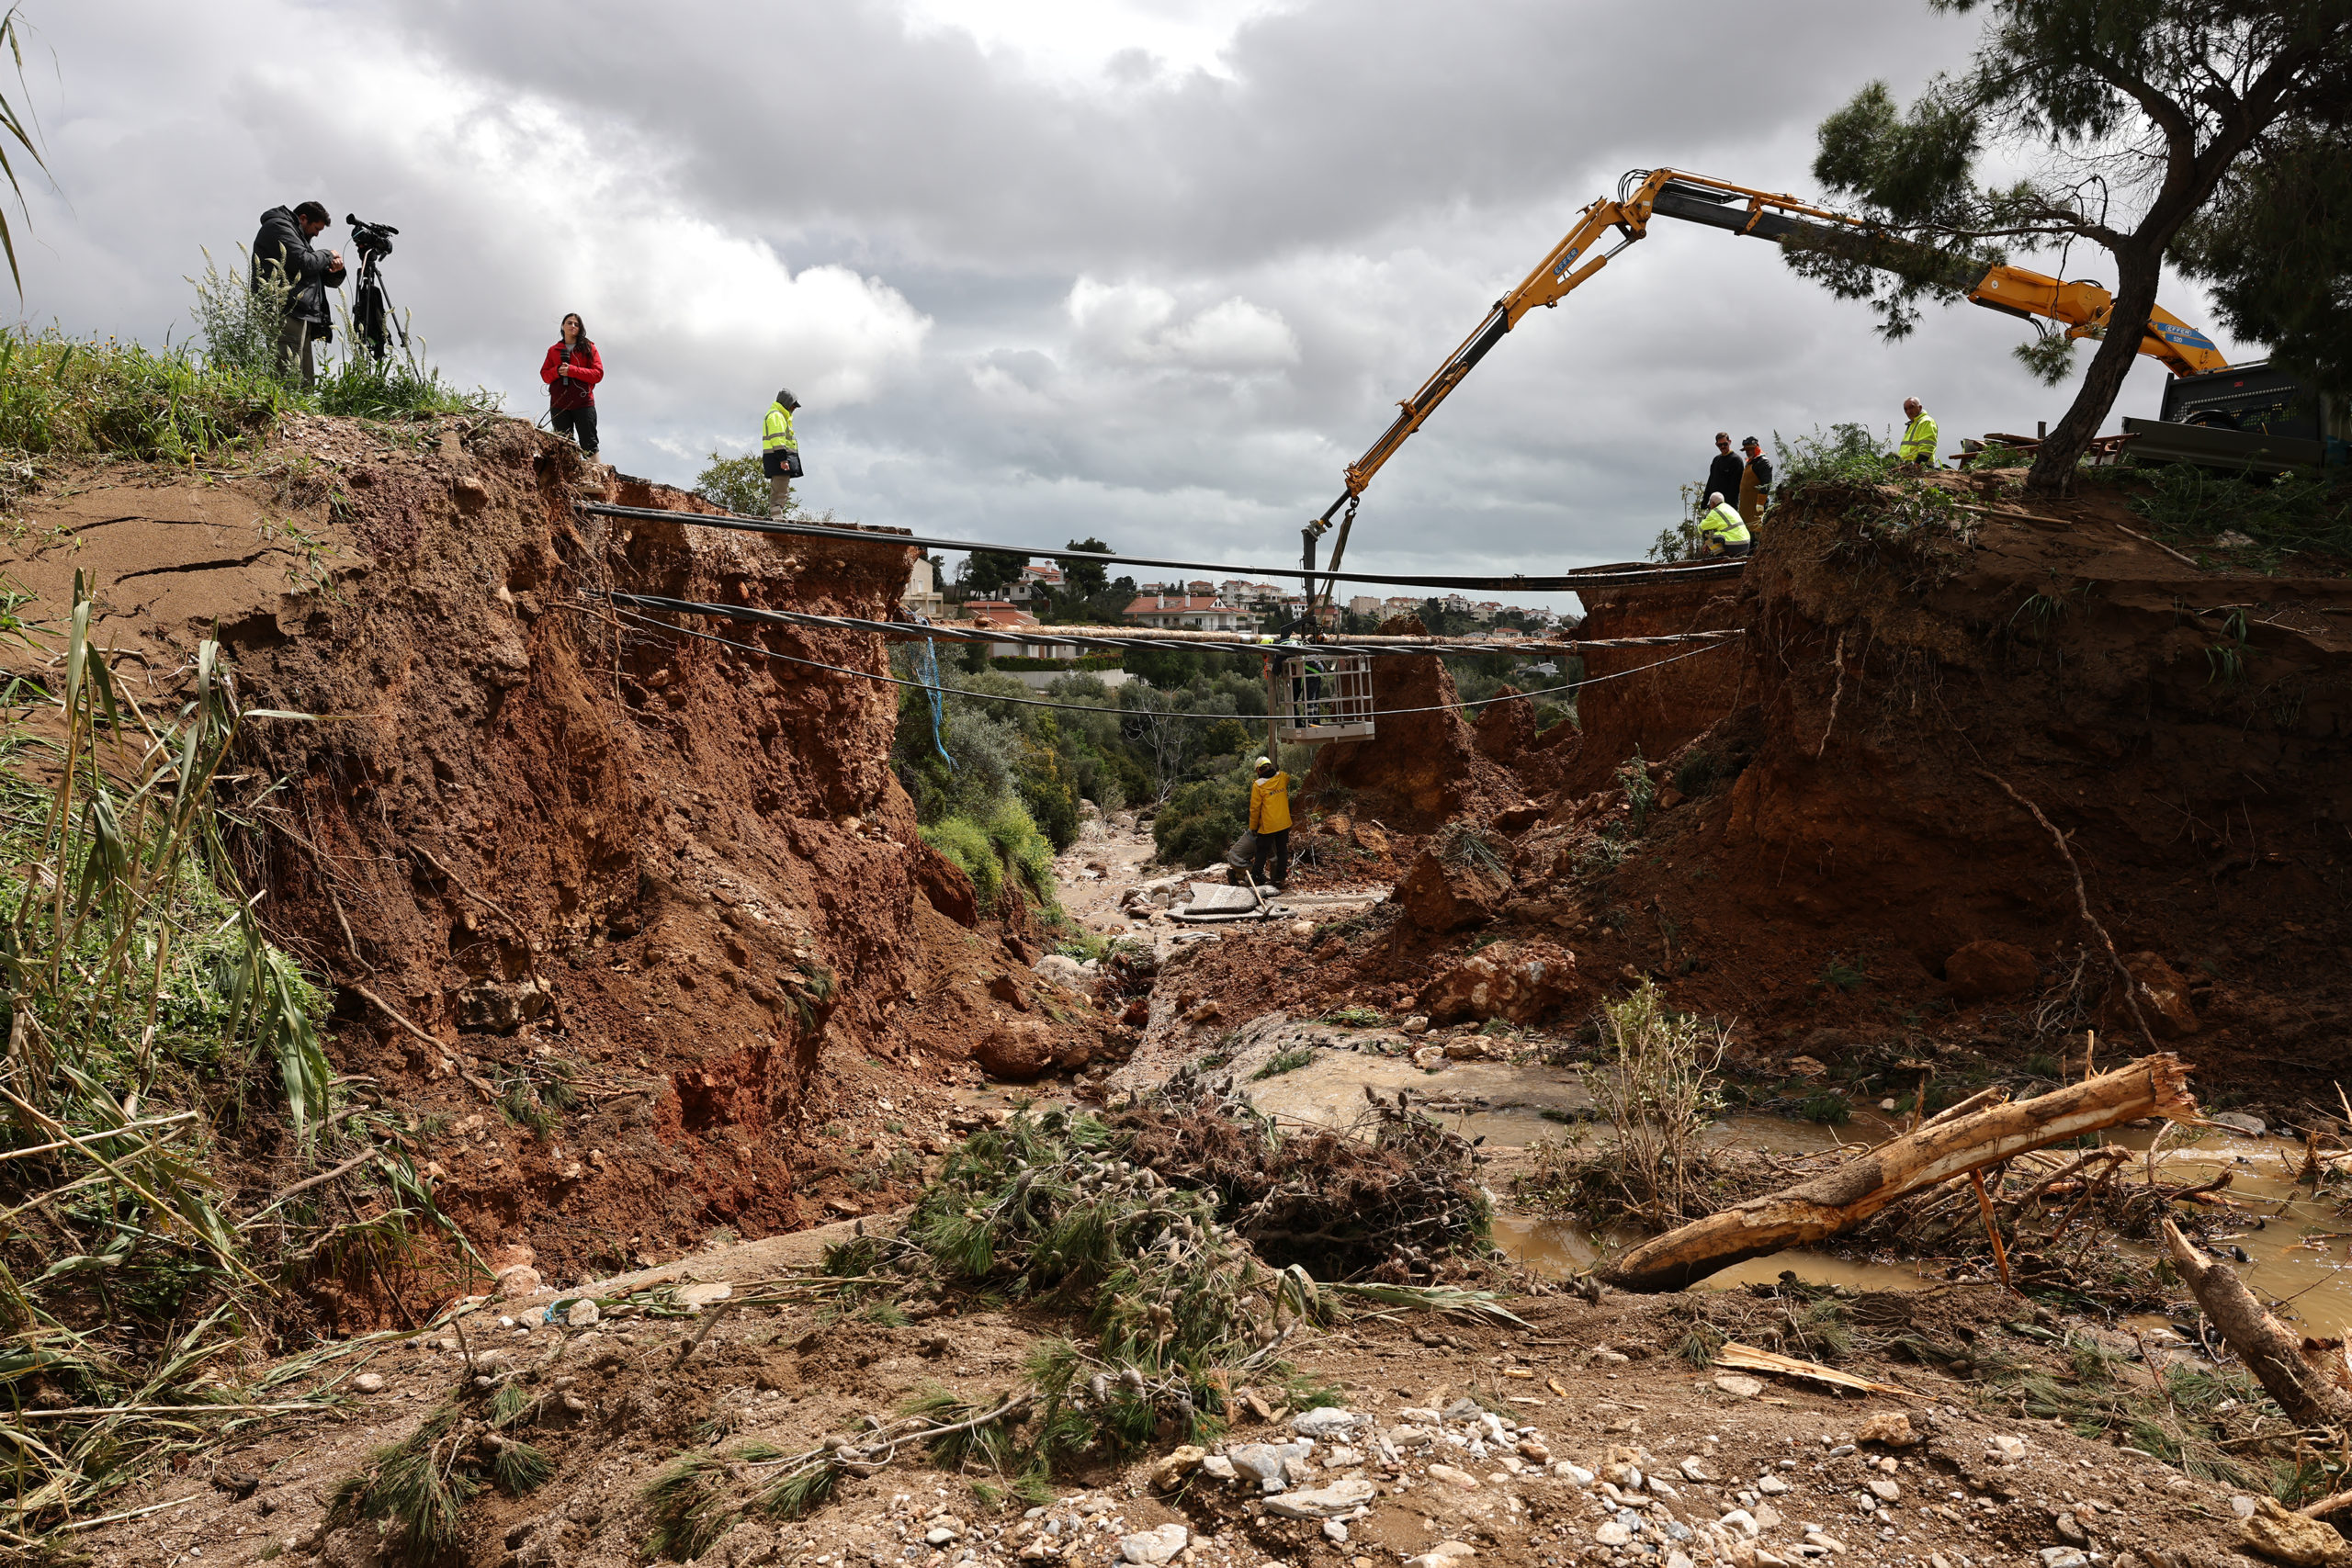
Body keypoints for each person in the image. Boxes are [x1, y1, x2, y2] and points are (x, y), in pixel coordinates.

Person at [251, 200, 345, 390]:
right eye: (316, 228)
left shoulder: (298, 236)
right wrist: (328, 254)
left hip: (299, 310)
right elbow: (304, 262)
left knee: (303, 373)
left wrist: (336, 271)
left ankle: (302, 415)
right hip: (283, 307)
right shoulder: (278, 226)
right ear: (303, 219)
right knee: (287, 368)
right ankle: (286, 412)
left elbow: (312, 270)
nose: (317, 234)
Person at [538, 313, 605, 458]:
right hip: (559, 402)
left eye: (576, 324)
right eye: (569, 323)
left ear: (580, 328)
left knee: (589, 442)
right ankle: (572, 477)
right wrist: (557, 371)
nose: (573, 326)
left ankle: (598, 477)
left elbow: (598, 374)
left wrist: (572, 371)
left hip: (583, 401)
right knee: (563, 442)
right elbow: (544, 375)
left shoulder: (589, 348)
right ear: (563, 326)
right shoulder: (553, 350)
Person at [1248, 756, 1291, 889]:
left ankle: (1255, 878)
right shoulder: (1282, 777)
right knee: (1282, 850)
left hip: (1268, 825)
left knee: (1261, 851)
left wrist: (1253, 827)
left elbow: (1255, 809)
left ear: (1258, 771)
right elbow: (1287, 778)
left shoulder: (1258, 785)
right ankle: (1280, 879)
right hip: (1284, 823)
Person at [763, 389, 803, 517]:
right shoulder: (777, 416)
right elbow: (777, 440)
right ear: (786, 403)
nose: (794, 408)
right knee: (779, 492)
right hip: (778, 459)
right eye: (793, 405)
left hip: (778, 459)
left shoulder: (779, 415)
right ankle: (777, 521)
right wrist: (783, 460)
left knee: (781, 491)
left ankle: (777, 518)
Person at [1698, 491, 1751, 558]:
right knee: (1717, 533)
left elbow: (1701, 529)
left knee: (1706, 533)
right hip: (1746, 544)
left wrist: (1707, 516)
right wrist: (1707, 544)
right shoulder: (1729, 507)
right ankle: (1732, 555)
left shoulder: (1715, 512)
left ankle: (1721, 557)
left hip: (1736, 544)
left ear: (1712, 503)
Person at [1704, 431, 1744, 513]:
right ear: (1716, 444)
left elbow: (1735, 487)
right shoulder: (1716, 460)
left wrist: (1726, 506)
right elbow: (1710, 481)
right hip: (1714, 506)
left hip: (1729, 507)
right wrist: (1705, 501)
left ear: (1729, 442)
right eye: (1720, 445)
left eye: (1725, 444)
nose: (1722, 447)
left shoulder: (1736, 460)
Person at [1737, 436, 1772, 526]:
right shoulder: (1749, 463)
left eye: (1750, 449)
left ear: (1757, 448)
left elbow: (1766, 483)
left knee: (1757, 529)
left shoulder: (1763, 463)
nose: (1748, 452)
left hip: (1757, 507)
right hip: (1745, 507)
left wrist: (1760, 503)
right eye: (1746, 450)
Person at [1898, 397, 1939, 468]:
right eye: (1906, 409)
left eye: (1911, 407)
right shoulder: (1912, 424)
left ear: (1920, 408)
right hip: (1908, 468)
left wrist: (1917, 464)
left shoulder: (1926, 421)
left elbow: (1927, 447)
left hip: (1921, 468)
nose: (1908, 411)